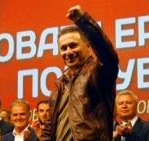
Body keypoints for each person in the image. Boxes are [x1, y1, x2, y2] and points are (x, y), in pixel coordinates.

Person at [40, 5, 119, 141]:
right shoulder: (59, 85)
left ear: (88, 47)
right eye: (63, 48)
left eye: (73, 45)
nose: (68, 52)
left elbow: (107, 54)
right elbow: (49, 127)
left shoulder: (96, 73)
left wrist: (82, 20)